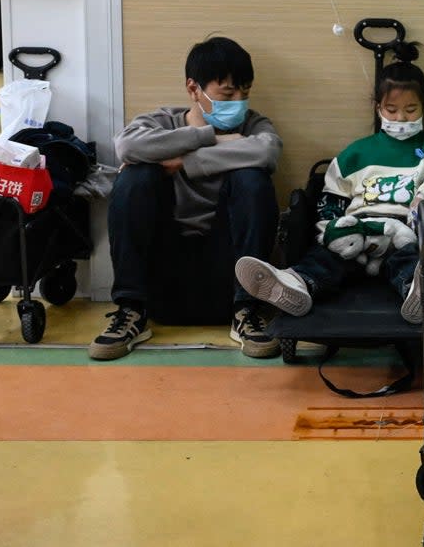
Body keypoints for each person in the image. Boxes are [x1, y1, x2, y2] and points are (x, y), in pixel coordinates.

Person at [234, 42, 424, 325]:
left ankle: (417, 291)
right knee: (325, 259)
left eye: (411, 109)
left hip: (402, 231)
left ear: (423, 108)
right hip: (356, 231)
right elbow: (331, 201)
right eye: (392, 110)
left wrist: (422, 198)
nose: (401, 118)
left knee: (407, 261)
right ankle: (296, 283)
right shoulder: (355, 154)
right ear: (378, 108)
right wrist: (332, 231)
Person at [89, 37, 282, 360]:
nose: (239, 103)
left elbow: (267, 150)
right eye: (228, 94)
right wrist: (206, 137)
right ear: (194, 89)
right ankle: (131, 309)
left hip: (228, 267)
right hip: (165, 264)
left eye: (245, 93)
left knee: (252, 178)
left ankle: (247, 311)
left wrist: (185, 161)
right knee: (136, 176)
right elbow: (127, 148)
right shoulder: (159, 122)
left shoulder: (254, 125)